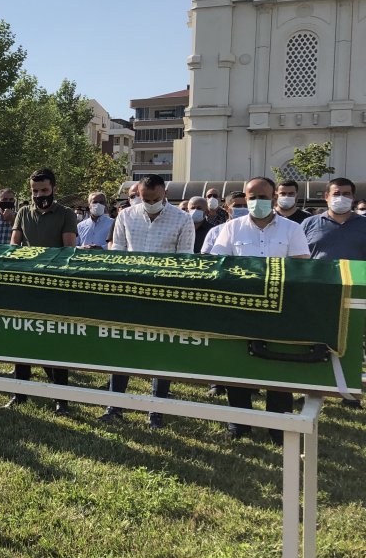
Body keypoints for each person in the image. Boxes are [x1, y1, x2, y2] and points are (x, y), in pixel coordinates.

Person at [210, 176, 310, 441]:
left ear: (274, 198)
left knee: (278, 369)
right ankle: (239, 425)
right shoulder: (231, 229)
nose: (257, 202)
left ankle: (278, 428)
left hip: (279, 311)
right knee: (237, 366)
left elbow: (301, 268)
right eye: (252, 197)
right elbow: (218, 266)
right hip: (240, 309)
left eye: (263, 197)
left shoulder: (292, 229)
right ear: (245, 196)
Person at [101, 174, 195, 428]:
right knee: (122, 350)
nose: (150, 203)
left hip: (164, 296)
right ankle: (114, 407)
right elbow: (117, 254)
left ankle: (156, 411)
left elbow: (184, 261)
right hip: (130, 294)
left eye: (155, 199)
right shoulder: (126, 216)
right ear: (138, 194)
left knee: (161, 354)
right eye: (145, 199)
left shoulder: (182, 219)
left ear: (164, 194)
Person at [7, 169, 79, 411]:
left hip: (54, 287)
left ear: (54, 189)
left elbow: (68, 251)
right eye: (34, 191)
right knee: (21, 339)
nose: (39, 195)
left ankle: (61, 399)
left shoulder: (66, 214)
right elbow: (14, 246)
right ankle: (20, 393)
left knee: (56, 343)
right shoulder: (22, 213)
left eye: (44, 191)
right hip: (26, 286)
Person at [302, 178, 366, 409]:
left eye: (347, 194)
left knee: (352, 343)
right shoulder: (309, 224)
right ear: (326, 197)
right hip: (318, 293)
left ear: (353, 198)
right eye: (337, 193)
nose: (342, 197)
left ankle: (349, 394)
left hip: (354, 294)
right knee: (314, 341)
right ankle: (310, 388)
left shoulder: (363, 225)